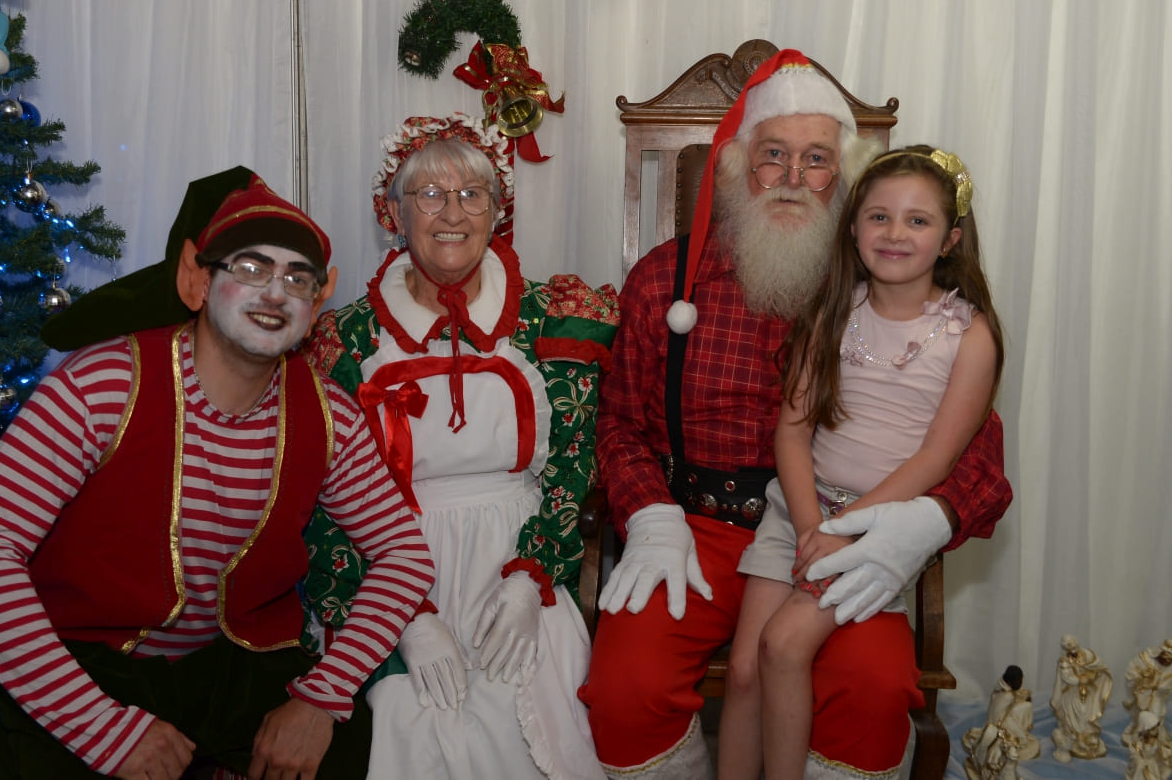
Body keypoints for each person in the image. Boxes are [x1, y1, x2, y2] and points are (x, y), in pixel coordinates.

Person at [579, 49, 1013, 779]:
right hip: (695, 528)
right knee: (626, 690)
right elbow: (618, 422)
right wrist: (649, 515)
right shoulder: (663, 278)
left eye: (816, 160)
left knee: (875, 691)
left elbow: (973, 453)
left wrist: (929, 521)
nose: (790, 176)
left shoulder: (880, 290)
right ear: (738, 167)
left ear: (843, 179)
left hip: (845, 527)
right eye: (772, 154)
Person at [0, 168, 435, 780]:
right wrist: (102, 729)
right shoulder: (100, 387)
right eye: (251, 268)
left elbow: (404, 555)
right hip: (81, 659)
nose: (275, 293)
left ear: (316, 303)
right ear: (197, 281)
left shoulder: (328, 414)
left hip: (228, 663)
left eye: (297, 279)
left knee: (344, 756)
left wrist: (321, 698)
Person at [300, 114, 618, 779]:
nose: (453, 213)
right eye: (430, 195)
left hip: (519, 555)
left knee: (527, 711)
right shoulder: (348, 340)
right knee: (410, 721)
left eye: (472, 195)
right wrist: (407, 619)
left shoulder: (550, 318)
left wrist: (532, 578)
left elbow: (571, 466)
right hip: (393, 563)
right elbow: (325, 499)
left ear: (498, 212)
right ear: (394, 213)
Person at [720, 143, 1004, 779]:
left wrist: (845, 532)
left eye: (917, 220)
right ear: (852, 228)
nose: (895, 233)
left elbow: (936, 457)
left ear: (950, 240)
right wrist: (809, 526)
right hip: (798, 509)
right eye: (879, 216)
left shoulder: (969, 336)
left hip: (879, 528)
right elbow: (792, 434)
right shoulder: (830, 314)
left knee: (783, 644)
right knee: (744, 671)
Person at [961, 665, 1041, 777]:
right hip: (1000, 724)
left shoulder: (1003, 687)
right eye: (1019, 680)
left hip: (1003, 718)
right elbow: (998, 716)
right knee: (1021, 737)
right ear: (1011, 681)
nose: (1021, 683)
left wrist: (1024, 698)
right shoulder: (1006, 695)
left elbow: (1013, 699)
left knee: (1025, 706)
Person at [1049, 633, 1113, 761]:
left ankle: (1086, 735)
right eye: (1069, 646)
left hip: (1086, 691)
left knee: (1088, 710)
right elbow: (1068, 678)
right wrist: (1080, 680)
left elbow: (1098, 666)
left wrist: (1092, 676)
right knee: (1077, 712)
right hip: (1071, 693)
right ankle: (1076, 737)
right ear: (1065, 648)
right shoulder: (1064, 662)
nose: (1072, 647)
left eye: (1073, 644)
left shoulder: (1086, 654)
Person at [1124, 639, 1172, 746]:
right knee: (1139, 715)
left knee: (1157, 716)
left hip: (1158, 697)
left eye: (1170, 660)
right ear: (1161, 653)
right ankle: (1137, 734)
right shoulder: (1145, 659)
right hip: (1142, 694)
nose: (1167, 662)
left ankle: (1154, 739)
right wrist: (1142, 681)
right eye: (1166, 658)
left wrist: (1162, 687)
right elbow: (1131, 673)